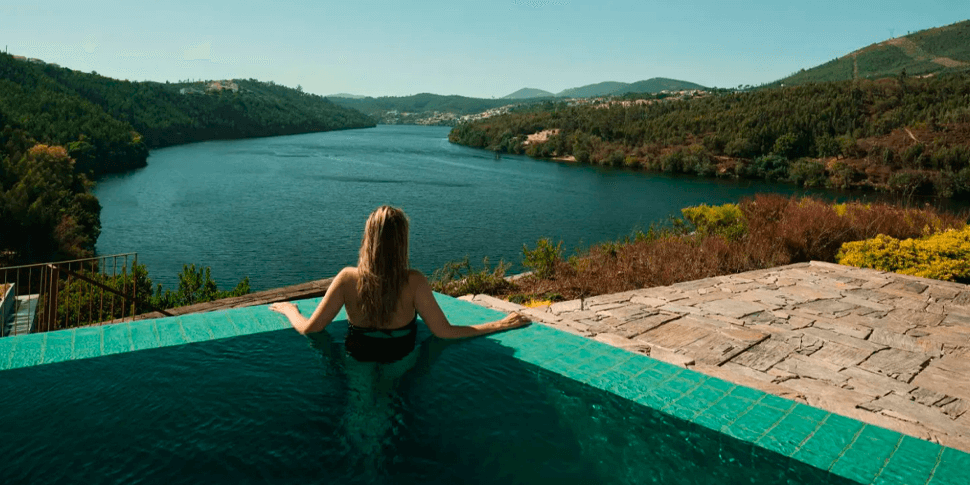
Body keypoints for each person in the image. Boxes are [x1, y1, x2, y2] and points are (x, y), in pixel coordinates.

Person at [270, 205, 530, 363]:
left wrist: (290, 310)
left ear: (369, 239)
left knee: (361, 420)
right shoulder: (414, 282)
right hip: (401, 360)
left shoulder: (347, 278)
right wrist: (498, 324)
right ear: (401, 242)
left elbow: (310, 330)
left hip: (356, 359)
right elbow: (444, 332)